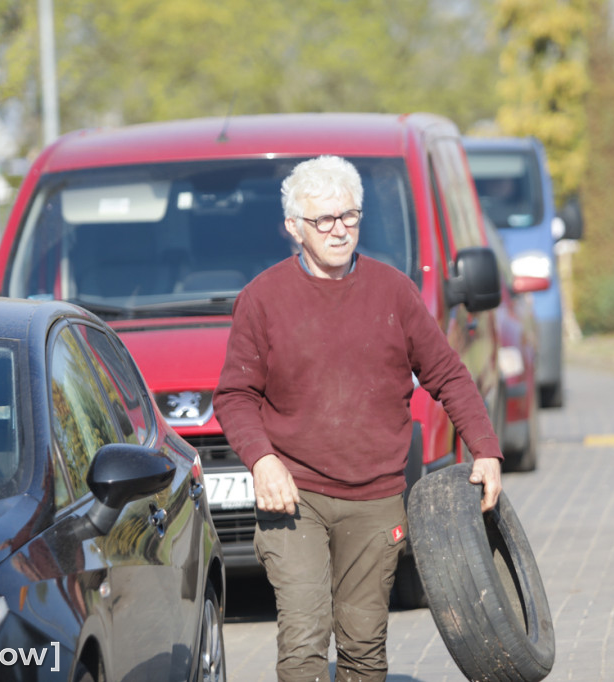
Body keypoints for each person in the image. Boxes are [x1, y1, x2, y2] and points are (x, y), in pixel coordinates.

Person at [213, 154, 503, 682]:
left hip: (376, 498)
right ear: (294, 227)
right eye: (322, 220)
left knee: (364, 647)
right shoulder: (262, 299)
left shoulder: (393, 292)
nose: (338, 230)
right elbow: (234, 395)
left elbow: (449, 376)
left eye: (348, 216)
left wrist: (485, 449)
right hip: (293, 497)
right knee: (303, 640)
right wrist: (262, 462)